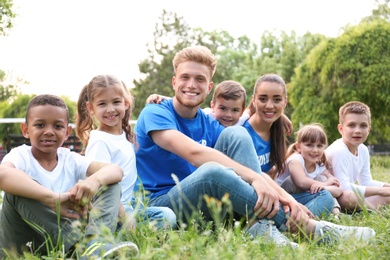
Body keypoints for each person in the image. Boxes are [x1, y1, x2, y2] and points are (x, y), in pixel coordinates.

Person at [135, 45, 376, 247]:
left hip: (207, 207)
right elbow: (194, 153)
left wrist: (286, 198)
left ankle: (260, 226)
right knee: (213, 172)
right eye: (185, 77)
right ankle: (311, 229)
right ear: (174, 81)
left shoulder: (210, 123)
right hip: (165, 203)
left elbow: (248, 168)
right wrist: (258, 180)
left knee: (237, 134)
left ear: (209, 87)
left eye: (200, 79)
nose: (191, 84)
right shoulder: (155, 112)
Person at [0, 94, 138, 259]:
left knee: (110, 183)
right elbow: (3, 175)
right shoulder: (20, 155)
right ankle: (84, 249)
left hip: (64, 241)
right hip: (23, 244)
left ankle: (95, 246)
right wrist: (52, 199)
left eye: (58, 126)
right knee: (18, 189)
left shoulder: (70, 159)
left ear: (67, 132)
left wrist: (93, 181)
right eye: (40, 125)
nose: (49, 132)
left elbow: (116, 170)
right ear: (26, 130)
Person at [75, 74, 177, 230]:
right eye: (102, 104)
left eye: (116, 102)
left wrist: (163, 100)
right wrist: (127, 220)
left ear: (126, 103)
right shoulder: (100, 141)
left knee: (167, 215)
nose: (110, 109)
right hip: (111, 211)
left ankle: (130, 232)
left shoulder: (125, 136)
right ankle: (123, 233)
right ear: (91, 108)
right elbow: (102, 189)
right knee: (164, 218)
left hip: (130, 206)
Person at [242, 74, 335, 218]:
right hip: (249, 198)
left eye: (277, 99)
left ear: (285, 102)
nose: (269, 105)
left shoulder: (277, 133)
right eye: (263, 98)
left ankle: (291, 221)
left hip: (273, 196)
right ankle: (295, 223)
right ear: (253, 100)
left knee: (325, 196)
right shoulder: (242, 131)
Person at [325, 101, 390, 211]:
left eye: (363, 126)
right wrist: (380, 191)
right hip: (334, 196)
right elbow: (344, 187)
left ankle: (368, 207)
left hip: (349, 195)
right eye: (351, 125)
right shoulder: (339, 150)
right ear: (341, 129)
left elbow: (365, 181)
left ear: (368, 129)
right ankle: (372, 209)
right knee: (349, 197)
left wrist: (386, 186)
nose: (358, 131)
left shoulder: (363, 149)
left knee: (387, 194)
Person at [276, 123, 343, 217]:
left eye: (319, 146)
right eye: (309, 145)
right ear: (298, 147)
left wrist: (323, 187)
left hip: (302, 199)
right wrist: (324, 184)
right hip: (283, 199)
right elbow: (301, 182)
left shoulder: (319, 165)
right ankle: (300, 219)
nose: (315, 150)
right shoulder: (295, 160)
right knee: (292, 180)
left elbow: (338, 190)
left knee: (322, 179)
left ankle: (336, 214)